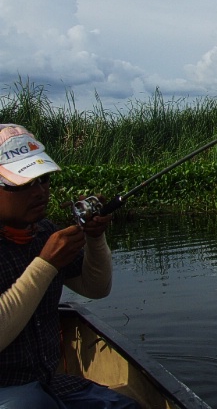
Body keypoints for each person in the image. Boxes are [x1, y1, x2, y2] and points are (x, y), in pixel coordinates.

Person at [0, 124, 139, 408]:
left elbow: (96, 288)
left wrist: (95, 238)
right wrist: (46, 264)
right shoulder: (46, 247)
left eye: (44, 180)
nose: (39, 192)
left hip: (50, 381)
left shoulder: (43, 232)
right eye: (24, 184)